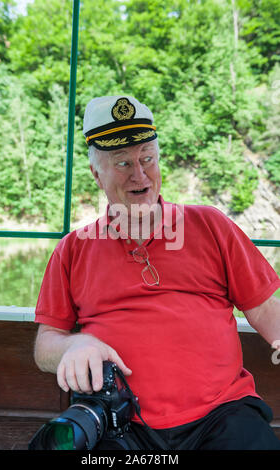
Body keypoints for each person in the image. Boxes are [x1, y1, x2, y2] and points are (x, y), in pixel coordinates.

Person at [34, 95, 280, 450]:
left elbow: (265, 308)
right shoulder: (73, 249)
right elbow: (46, 345)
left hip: (223, 417)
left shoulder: (210, 225)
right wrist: (76, 344)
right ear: (96, 174)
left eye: (147, 158)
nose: (140, 174)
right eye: (122, 163)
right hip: (120, 426)